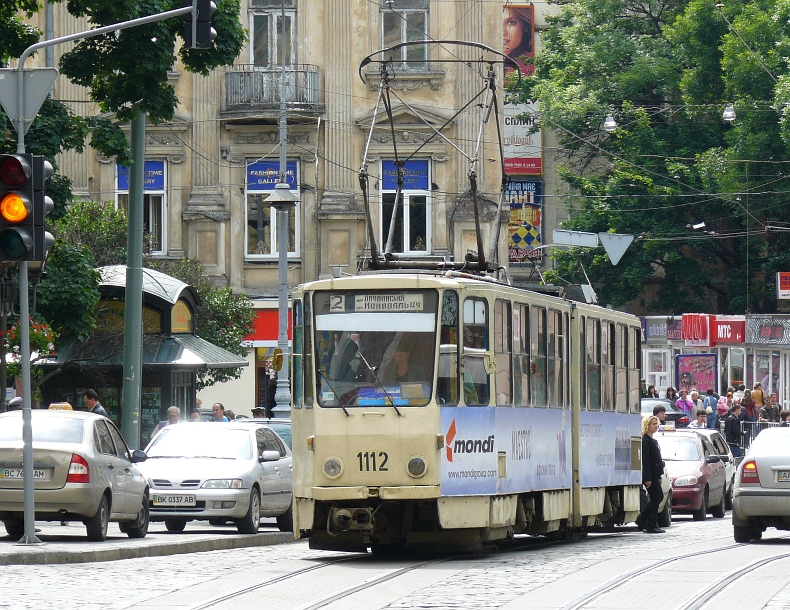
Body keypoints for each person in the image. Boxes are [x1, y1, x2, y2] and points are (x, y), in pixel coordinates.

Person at [640, 416, 665, 534]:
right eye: (653, 424)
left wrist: (659, 475)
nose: (656, 426)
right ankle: (650, 523)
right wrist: (647, 478)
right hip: (650, 475)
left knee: (658, 497)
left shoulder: (652, 440)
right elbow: (645, 461)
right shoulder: (645, 441)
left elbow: (657, 460)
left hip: (655, 474)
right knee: (657, 497)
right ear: (647, 425)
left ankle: (642, 520)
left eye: (657, 424)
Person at [503, 6, 534, 77]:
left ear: (524, 27)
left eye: (511, 22)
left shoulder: (530, 63)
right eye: (496, 23)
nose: (503, 32)